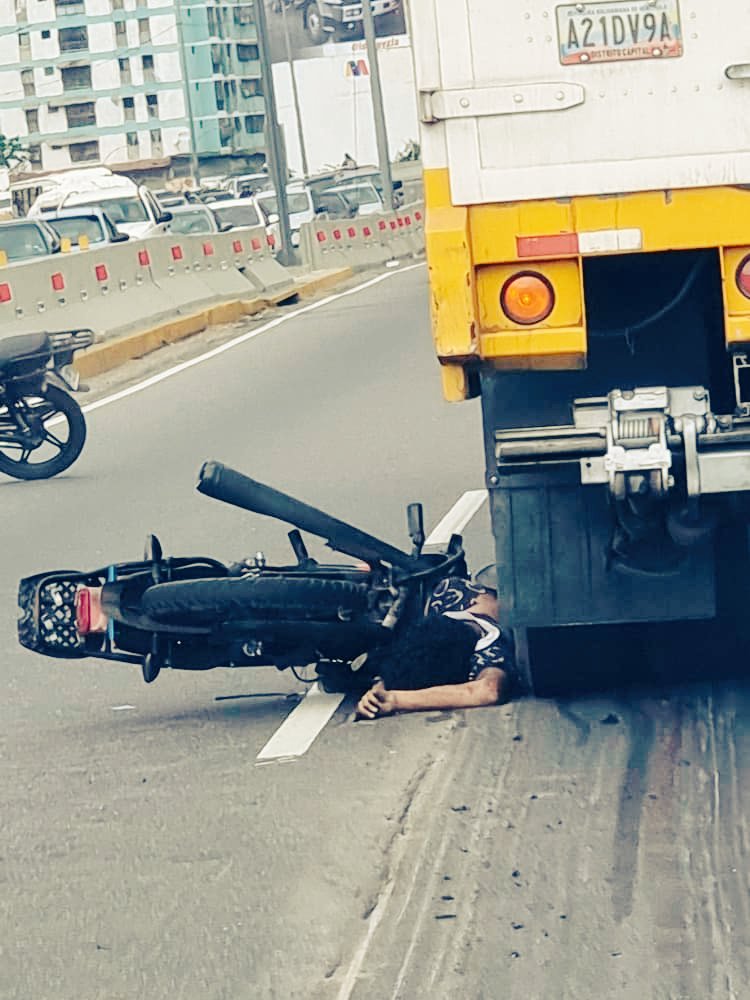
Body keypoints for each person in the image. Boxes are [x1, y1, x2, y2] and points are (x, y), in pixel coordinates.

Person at [355, 577, 517, 720]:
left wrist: (395, 699)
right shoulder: (449, 589)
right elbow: (413, 650)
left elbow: (490, 690)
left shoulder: (492, 643)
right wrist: (379, 691)